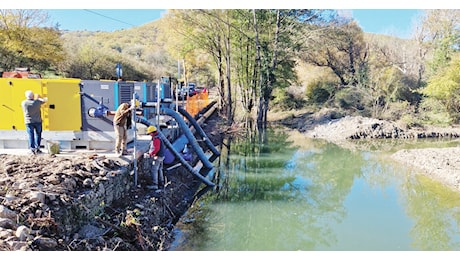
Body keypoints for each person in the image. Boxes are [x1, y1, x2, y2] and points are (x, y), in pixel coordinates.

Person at [21, 90, 47, 155]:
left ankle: (32, 149)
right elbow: (45, 100)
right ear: (32, 96)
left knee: (31, 135)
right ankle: (37, 148)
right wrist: (38, 97)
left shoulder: (24, 103)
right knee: (38, 135)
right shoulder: (37, 102)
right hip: (38, 121)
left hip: (29, 122)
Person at [144, 125, 165, 191]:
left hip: (158, 156)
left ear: (152, 132)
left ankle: (154, 184)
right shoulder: (159, 137)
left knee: (154, 170)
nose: (149, 135)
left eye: (149, 133)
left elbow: (156, 148)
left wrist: (150, 154)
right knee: (159, 169)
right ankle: (161, 183)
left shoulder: (156, 139)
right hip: (161, 156)